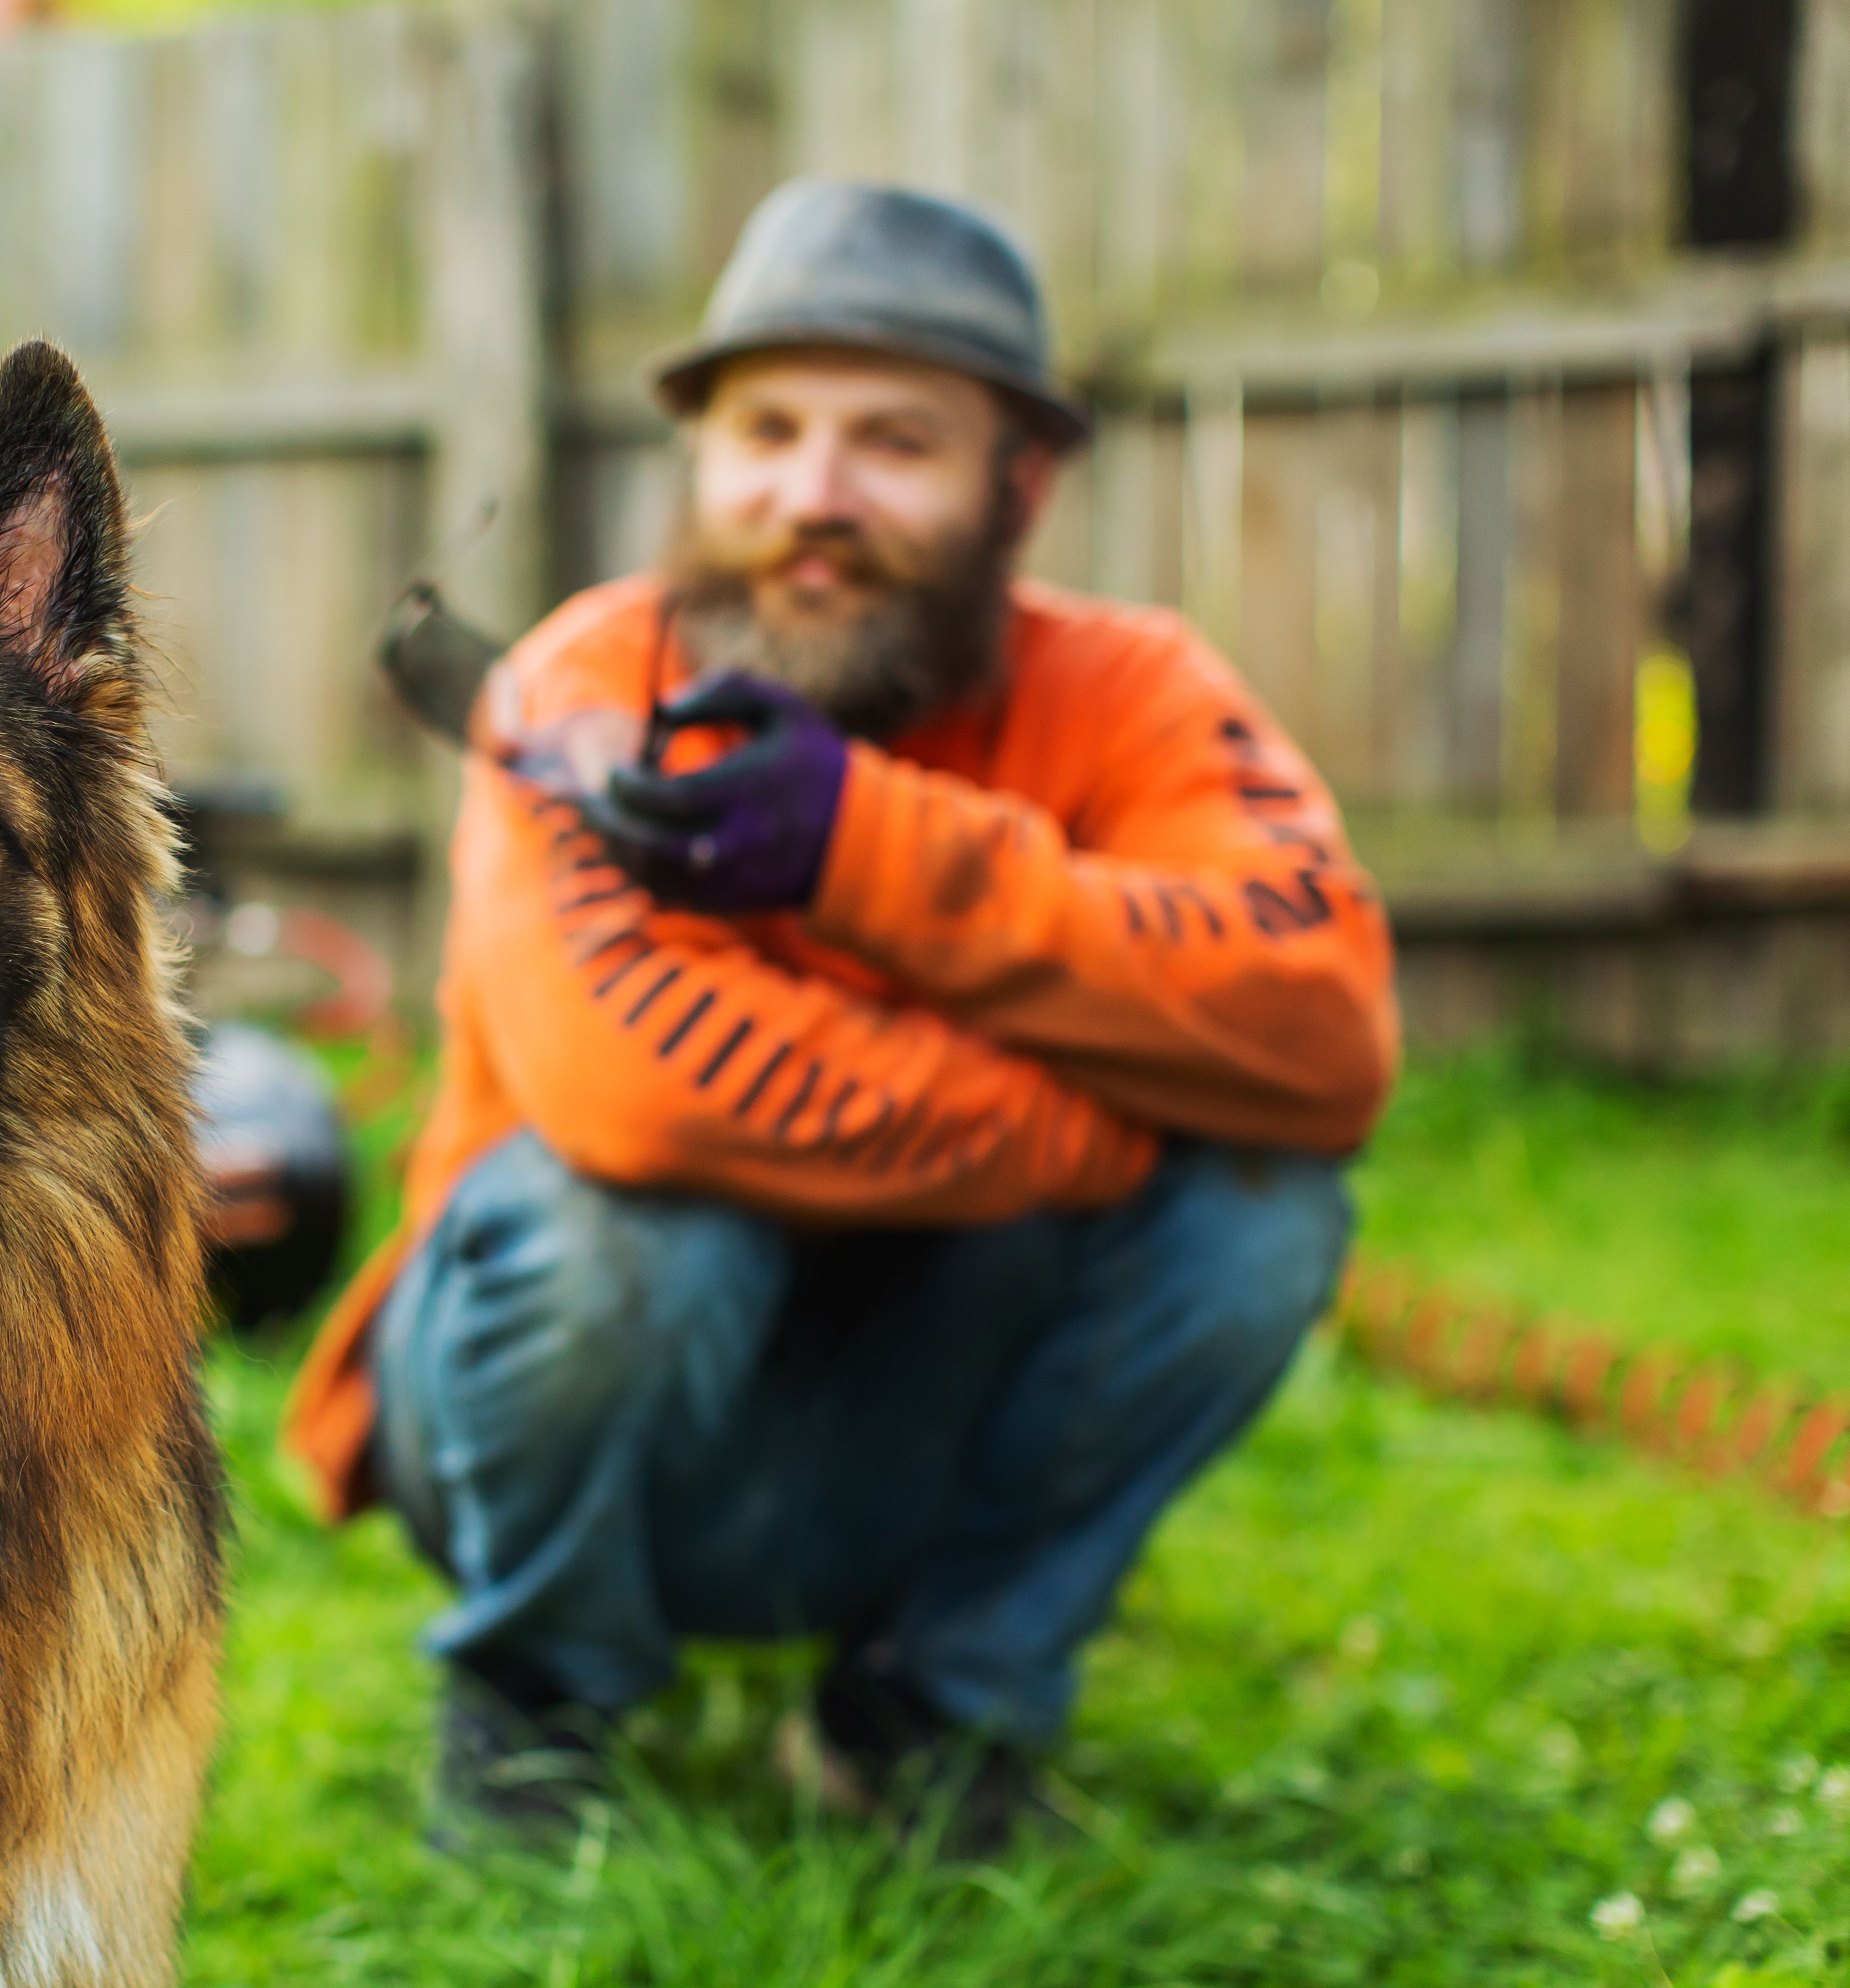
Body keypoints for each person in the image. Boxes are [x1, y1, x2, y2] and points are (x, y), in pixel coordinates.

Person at [280, 181, 1398, 1846]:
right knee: (618, 1228)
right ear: (701, 459)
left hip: (909, 1418)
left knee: (1260, 1214)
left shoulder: (1140, 697)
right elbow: (644, 1093)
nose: (812, 496)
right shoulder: (580, 692)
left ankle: (924, 1716)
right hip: (570, 1425)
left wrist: (865, 850)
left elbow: (1324, 1026)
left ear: (1020, 483)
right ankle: (537, 1702)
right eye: (767, 431)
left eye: (895, 442)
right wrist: (1104, 1111)